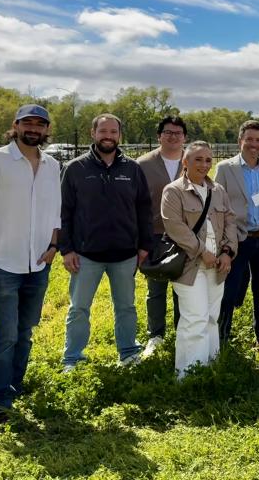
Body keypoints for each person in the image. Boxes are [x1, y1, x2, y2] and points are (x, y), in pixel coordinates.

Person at [0, 104, 60, 428]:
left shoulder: (52, 165)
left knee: (24, 333)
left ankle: (14, 388)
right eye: (28, 123)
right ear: (16, 125)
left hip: (38, 265)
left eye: (40, 124)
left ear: (46, 129)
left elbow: (55, 211)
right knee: (5, 334)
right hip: (2, 263)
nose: (33, 128)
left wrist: (53, 246)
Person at [60, 113, 152, 371]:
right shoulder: (75, 168)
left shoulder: (132, 169)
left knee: (126, 307)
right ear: (93, 133)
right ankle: (72, 358)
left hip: (125, 254)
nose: (108, 136)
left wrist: (144, 245)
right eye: (103, 131)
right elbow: (63, 211)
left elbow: (144, 209)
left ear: (119, 135)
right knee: (79, 308)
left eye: (113, 132)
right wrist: (66, 249)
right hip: (85, 254)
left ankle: (128, 352)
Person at [160, 141, 237, 378]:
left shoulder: (218, 190)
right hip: (190, 265)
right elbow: (175, 228)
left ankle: (210, 366)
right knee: (194, 319)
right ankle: (188, 375)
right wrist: (202, 251)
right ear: (185, 161)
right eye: (198, 159)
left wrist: (228, 252)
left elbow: (230, 222)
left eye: (208, 160)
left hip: (218, 266)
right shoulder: (173, 191)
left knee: (212, 318)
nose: (204, 165)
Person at [215, 120, 259, 355]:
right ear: (240, 141)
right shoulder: (226, 168)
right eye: (249, 140)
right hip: (237, 240)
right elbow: (218, 206)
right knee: (230, 290)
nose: (254, 144)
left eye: (258, 140)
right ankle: (222, 338)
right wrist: (225, 240)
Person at [136, 115, 187, 358]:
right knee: (155, 288)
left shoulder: (192, 161)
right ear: (159, 136)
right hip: (154, 236)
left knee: (182, 288)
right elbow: (136, 203)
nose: (173, 137)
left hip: (185, 237)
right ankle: (155, 335)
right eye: (168, 132)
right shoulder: (143, 164)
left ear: (184, 137)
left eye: (178, 133)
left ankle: (182, 332)